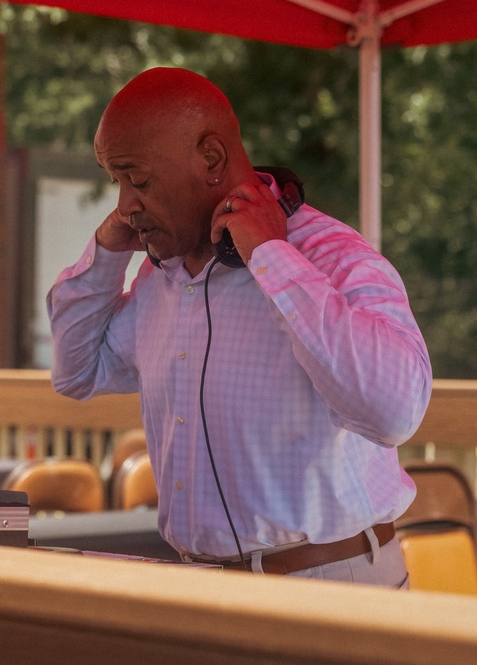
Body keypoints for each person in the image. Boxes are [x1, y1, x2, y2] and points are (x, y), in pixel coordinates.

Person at [47, 67, 432, 586]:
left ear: (210, 159)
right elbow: (77, 371)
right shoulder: (161, 278)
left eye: (138, 181)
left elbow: (394, 413)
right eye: (117, 182)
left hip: (333, 590)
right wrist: (106, 256)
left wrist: (273, 258)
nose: (125, 205)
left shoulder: (333, 257)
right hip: (204, 590)